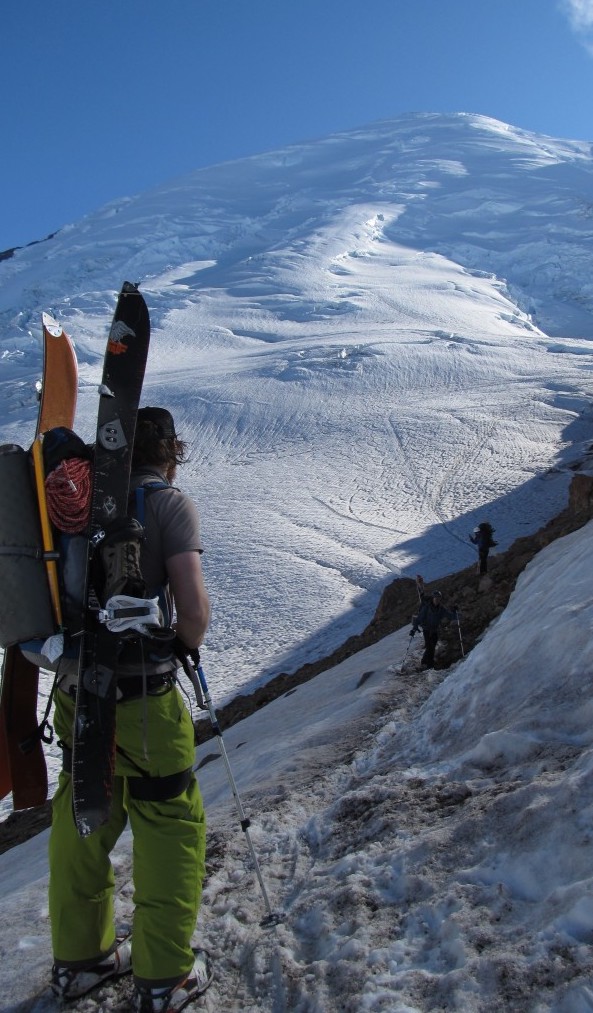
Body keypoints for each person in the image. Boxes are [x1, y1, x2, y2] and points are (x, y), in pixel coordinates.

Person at [48, 407, 213, 1013]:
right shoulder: (167, 505)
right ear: (172, 451)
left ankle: (80, 961)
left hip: (74, 693)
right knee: (169, 822)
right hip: (145, 702)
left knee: (83, 812)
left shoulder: (76, 506)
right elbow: (192, 611)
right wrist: (183, 644)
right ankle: (165, 975)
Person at [410, 589, 458, 669]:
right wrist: (414, 628)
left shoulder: (441, 609)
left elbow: (450, 616)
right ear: (433, 598)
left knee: (431, 647)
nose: (437, 600)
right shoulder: (426, 607)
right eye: (435, 598)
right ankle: (430, 665)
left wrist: (455, 612)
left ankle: (424, 662)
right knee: (430, 647)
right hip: (426, 629)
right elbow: (419, 618)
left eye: (438, 598)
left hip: (435, 630)